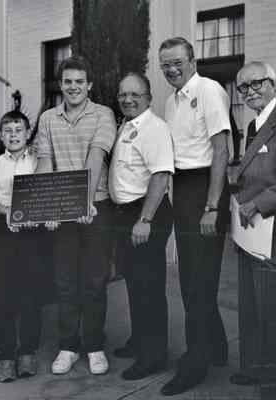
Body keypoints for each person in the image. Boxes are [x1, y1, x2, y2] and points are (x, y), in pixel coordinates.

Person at [158, 37, 231, 396]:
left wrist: (212, 207)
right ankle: (216, 348)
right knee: (193, 279)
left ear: (192, 60)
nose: (171, 69)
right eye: (165, 65)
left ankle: (195, 363)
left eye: (177, 62)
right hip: (184, 189)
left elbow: (221, 150)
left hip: (206, 188)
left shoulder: (210, 90)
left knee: (198, 284)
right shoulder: (171, 102)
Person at [36, 55, 117, 375]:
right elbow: (45, 163)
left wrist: (84, 202)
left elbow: (96, 157)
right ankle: (68, 347)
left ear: (89, 85)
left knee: (95, 280)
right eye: (68, 81)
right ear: (60, 85)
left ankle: (94, 346)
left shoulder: (103, 114)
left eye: (79, 82)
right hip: (63, 210)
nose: (73, 87)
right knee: (65, 281)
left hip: (97, 205)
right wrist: (48, 207)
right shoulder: (47, 119)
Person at [230, 61, 276, 386]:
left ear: (274, 84)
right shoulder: (254, 126)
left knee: (273, 306)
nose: (250, 90)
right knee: (251, 303)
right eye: (244, 87)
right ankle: (254, 367)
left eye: (258, 83)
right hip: (251, 231)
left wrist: (257, 203)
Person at [109, 72, 174, 380]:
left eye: (135, 94)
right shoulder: (127, 125)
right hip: (127, 214)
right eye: (123, 94)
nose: (128, 99)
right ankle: (139, 340)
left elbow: (160, 177)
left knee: (148, 286)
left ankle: (154, 356)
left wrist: (145, 220)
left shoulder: (154, 128)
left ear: (149, 97)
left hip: (147, 213)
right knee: (134, 282)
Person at [0, 110, 45, 383]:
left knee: (32, 293)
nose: (14, 135)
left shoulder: (40, 161)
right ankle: (5, 355)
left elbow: (47, 195)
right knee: (2, 294)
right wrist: (6, 212)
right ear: (0, 135)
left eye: (19, 130)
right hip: (4, 234)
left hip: (33, 236)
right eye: (8, 130)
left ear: (28, 133)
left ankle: (27, 351)